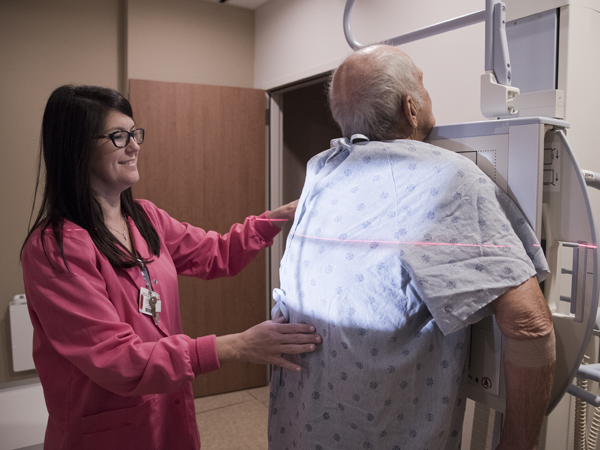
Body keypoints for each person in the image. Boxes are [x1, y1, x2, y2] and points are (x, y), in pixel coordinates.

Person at [268, 45, 555, 450]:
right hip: (383, 433)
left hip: (302, 425)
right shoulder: (446, 179)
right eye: (422, 81)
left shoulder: (321, 171)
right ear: (411, 108)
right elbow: (531, 325)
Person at [20, 84, 322, 450]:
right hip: (107, 433)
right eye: (118, 136)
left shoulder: (144, 217)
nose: (134, 146)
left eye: (134, 133)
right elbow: (117, 359)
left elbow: (216, 254)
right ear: (76, 147)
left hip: (168, 418)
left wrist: (272, 220)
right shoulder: (55, 248)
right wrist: (237, 346)